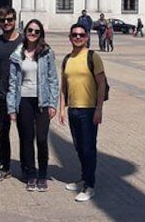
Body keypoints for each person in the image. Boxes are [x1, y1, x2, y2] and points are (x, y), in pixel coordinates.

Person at [7, 19, 59, 192]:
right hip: (23, 100)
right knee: (27, 139)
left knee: (42, 139)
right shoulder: (17, 53)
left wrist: (53, 103)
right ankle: (31, 174)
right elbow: (13, 82)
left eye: (37, 31)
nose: (33, 34)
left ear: (41, 34)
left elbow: (53, 79)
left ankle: (42, 174)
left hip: (42, 101)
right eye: (30, 30)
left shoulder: (46, 52)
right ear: (25, 32)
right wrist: (11, 108)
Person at [58, 23, 107, 202]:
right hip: (73, 110)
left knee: (88, 148)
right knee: (79, 147)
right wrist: (62, 109)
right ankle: (83, 178)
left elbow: (101, 84)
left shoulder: (93, 57)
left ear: (86, 37)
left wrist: (99, 109)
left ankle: (89, 185)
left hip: (89, 110)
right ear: (70, 37)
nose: (78, 37)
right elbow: (64, 86)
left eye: (81, 35)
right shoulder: (67, 59)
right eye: (74, 35)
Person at [0, 6, 23, 182]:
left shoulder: (25, 41)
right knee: (3, 132)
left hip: (23, 95)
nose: (7, 23)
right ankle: (4, 167)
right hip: (2, 94)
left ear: (15, 20)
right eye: (3, 20)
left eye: (10, 19)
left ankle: (27, 167)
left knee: (25, 133)